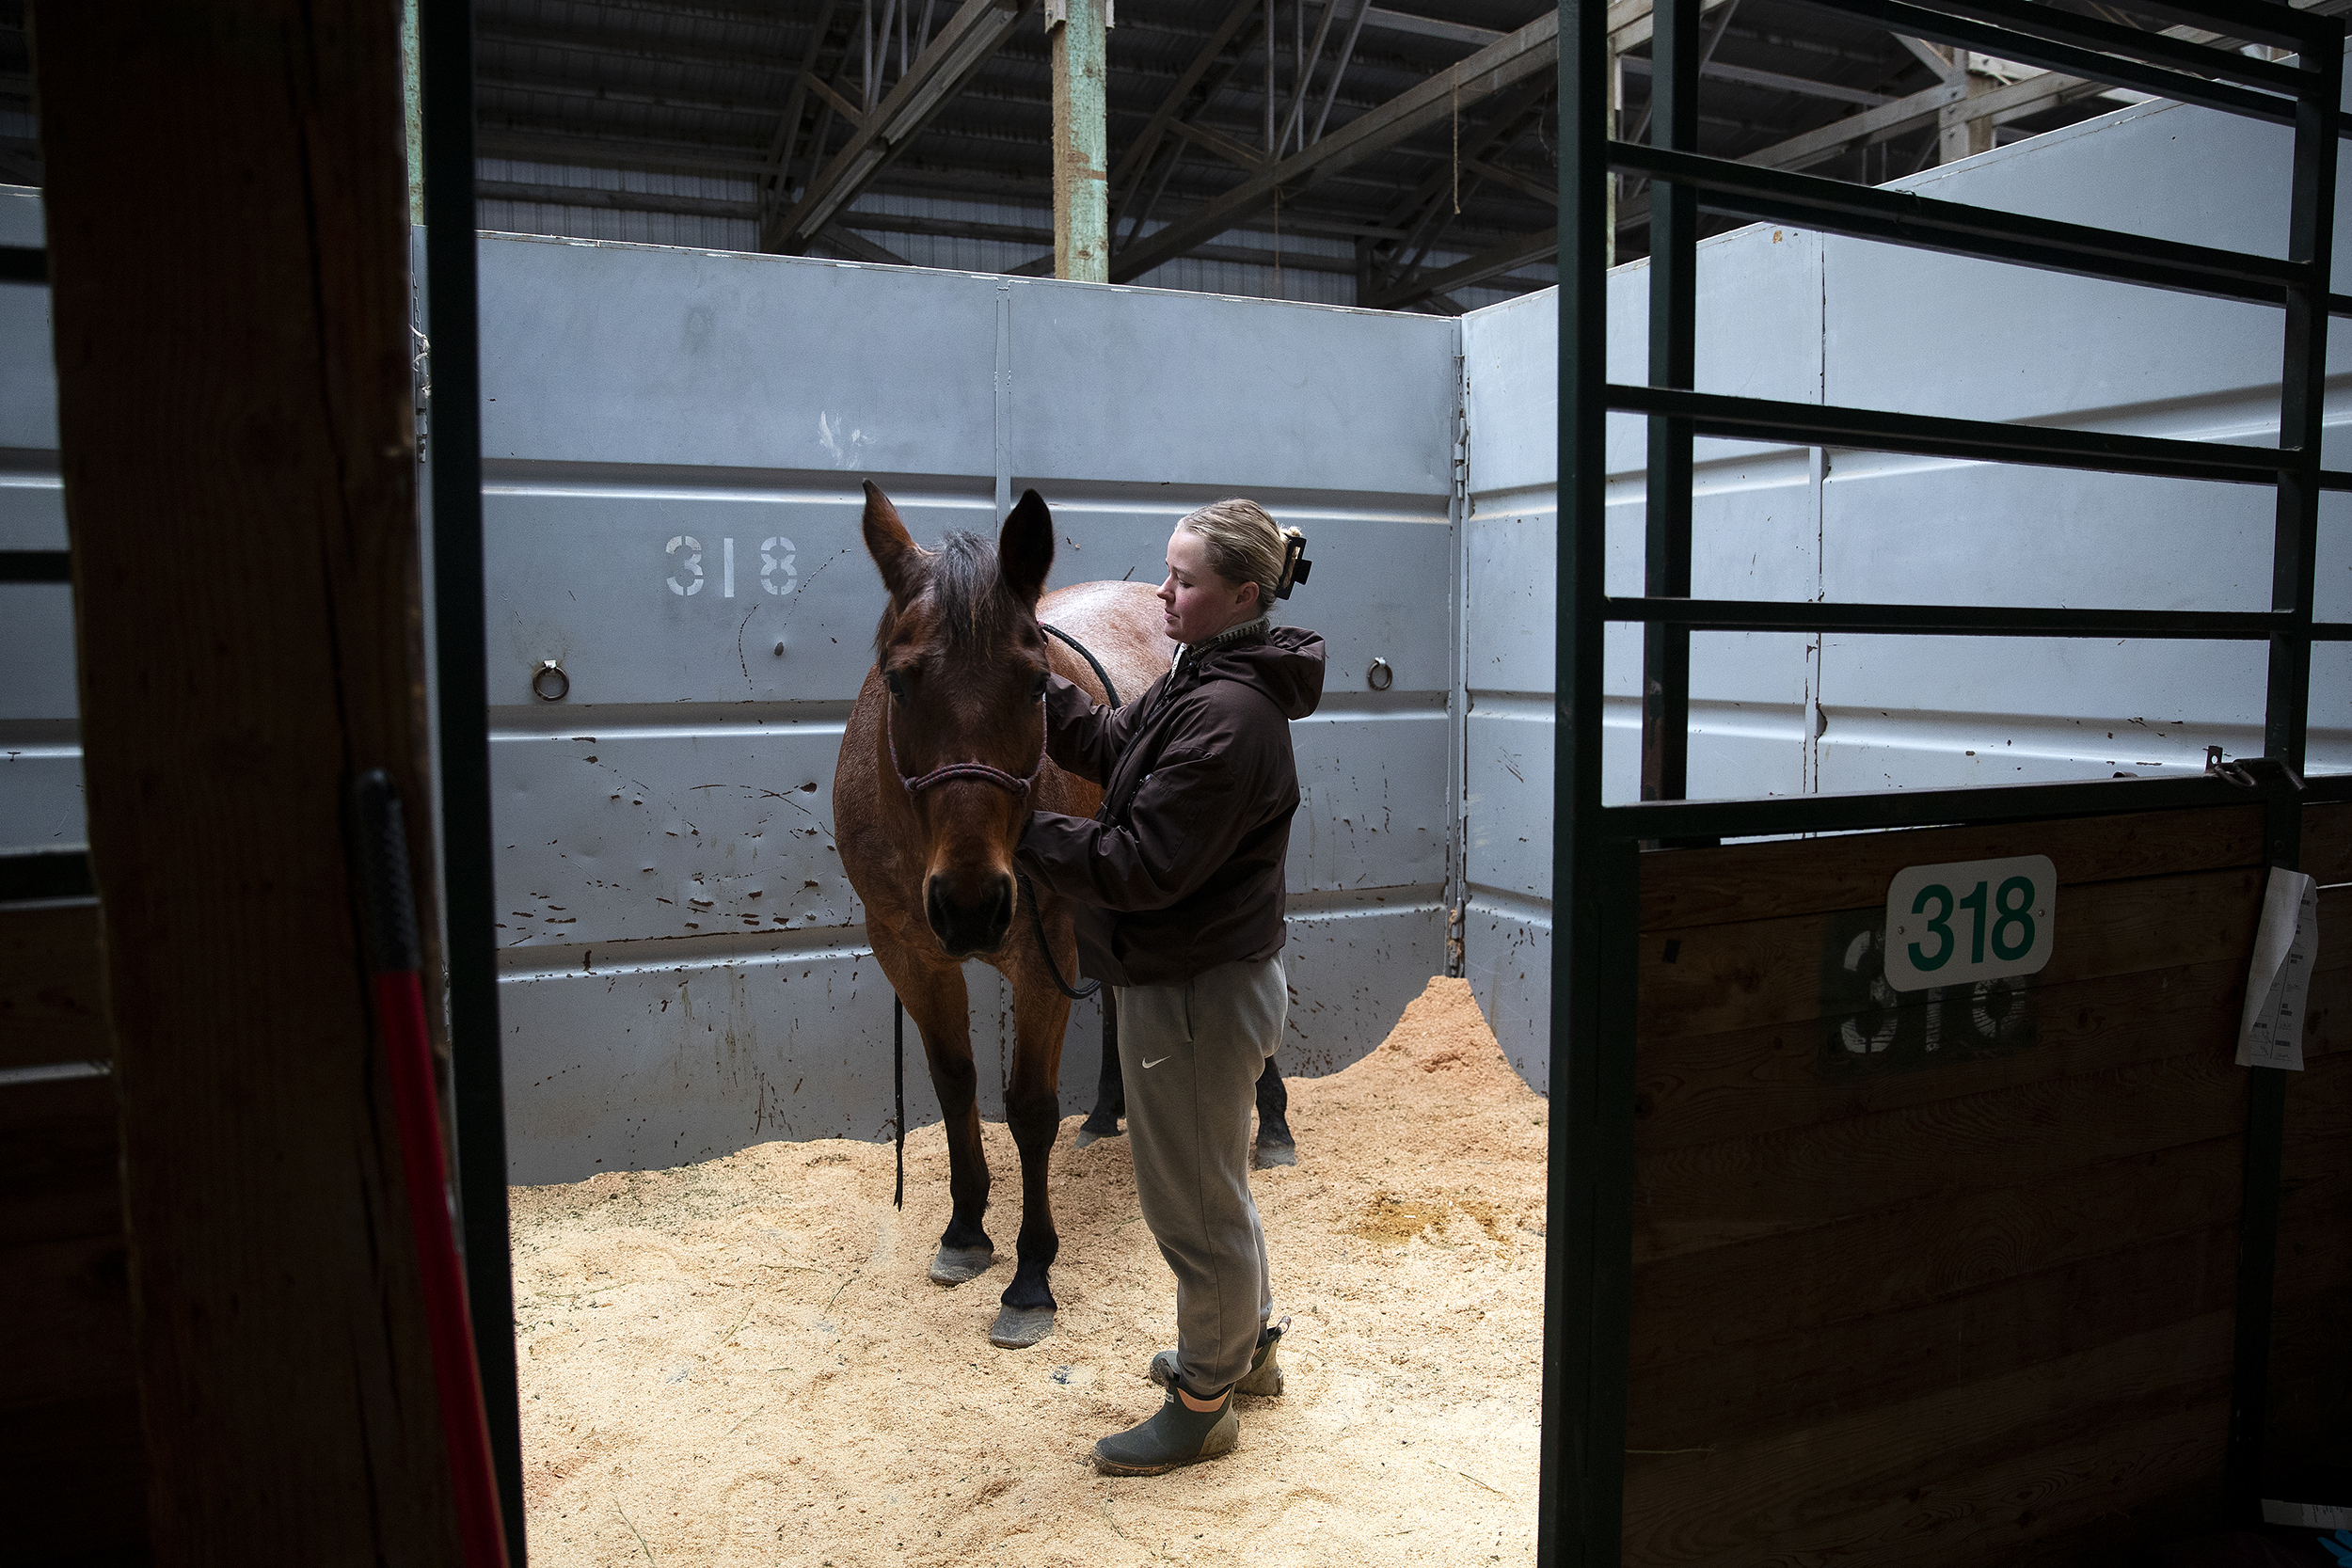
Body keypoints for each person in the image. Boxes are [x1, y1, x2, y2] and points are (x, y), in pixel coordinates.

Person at [1015, 499, 1325, 1476]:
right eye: (1165, 571)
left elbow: (1139, 862)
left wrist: (1016, 836)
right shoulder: (1207, 675)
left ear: (1241, 594)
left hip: (1193, 990)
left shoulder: (1228, 715)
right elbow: (1110, 741)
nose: (1162, 591)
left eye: (1183, 579)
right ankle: (1245, 1349)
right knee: (1215, 1188)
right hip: (1197, 975)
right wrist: (1034, 682)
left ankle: (1203, 1400)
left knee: (1190, 1206)